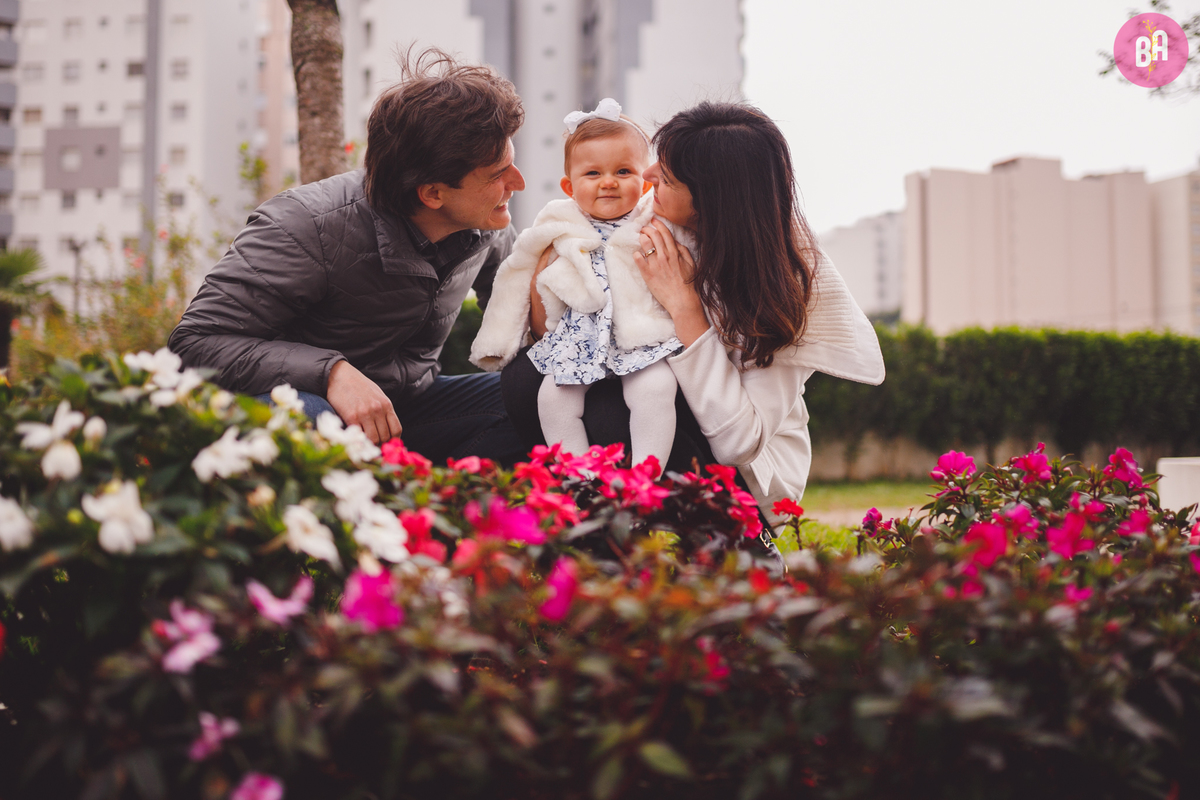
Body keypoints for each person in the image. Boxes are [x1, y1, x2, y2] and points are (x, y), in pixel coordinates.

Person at [500, 102, 885, 540]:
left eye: (665, 177)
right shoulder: (648, 225)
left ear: (709, 201)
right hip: (665, 407)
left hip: (743, 477)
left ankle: (741, 542)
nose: (646, 177)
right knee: (528, 378)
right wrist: (552, 267)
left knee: (625, 404)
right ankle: (594, 526)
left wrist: (685, 306)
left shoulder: (788, 281)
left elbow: (740, 442)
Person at [168, 50, 529, 466]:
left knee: (548, 393)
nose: (517, 183)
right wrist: (330, 373)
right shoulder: (303, 226)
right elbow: (195, 344)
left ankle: (440, 499)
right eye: (498, 174)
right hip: (306, 410)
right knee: (304, 418)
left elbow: (525, 315)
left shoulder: (484, 223)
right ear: (432, 193)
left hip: (407, 410)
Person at [469, 98, 680, 467]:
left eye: (624, 171)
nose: (609, 182)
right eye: (593, 174)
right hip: (577, 338)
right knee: (552, 401)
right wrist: (497, 339)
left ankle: (646, 478)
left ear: (646, 182)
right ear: (569, 186)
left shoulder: (656, 221)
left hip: (641, 334)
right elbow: (516, 273)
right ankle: (579, 478)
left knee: (656, 390)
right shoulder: (557, 222)